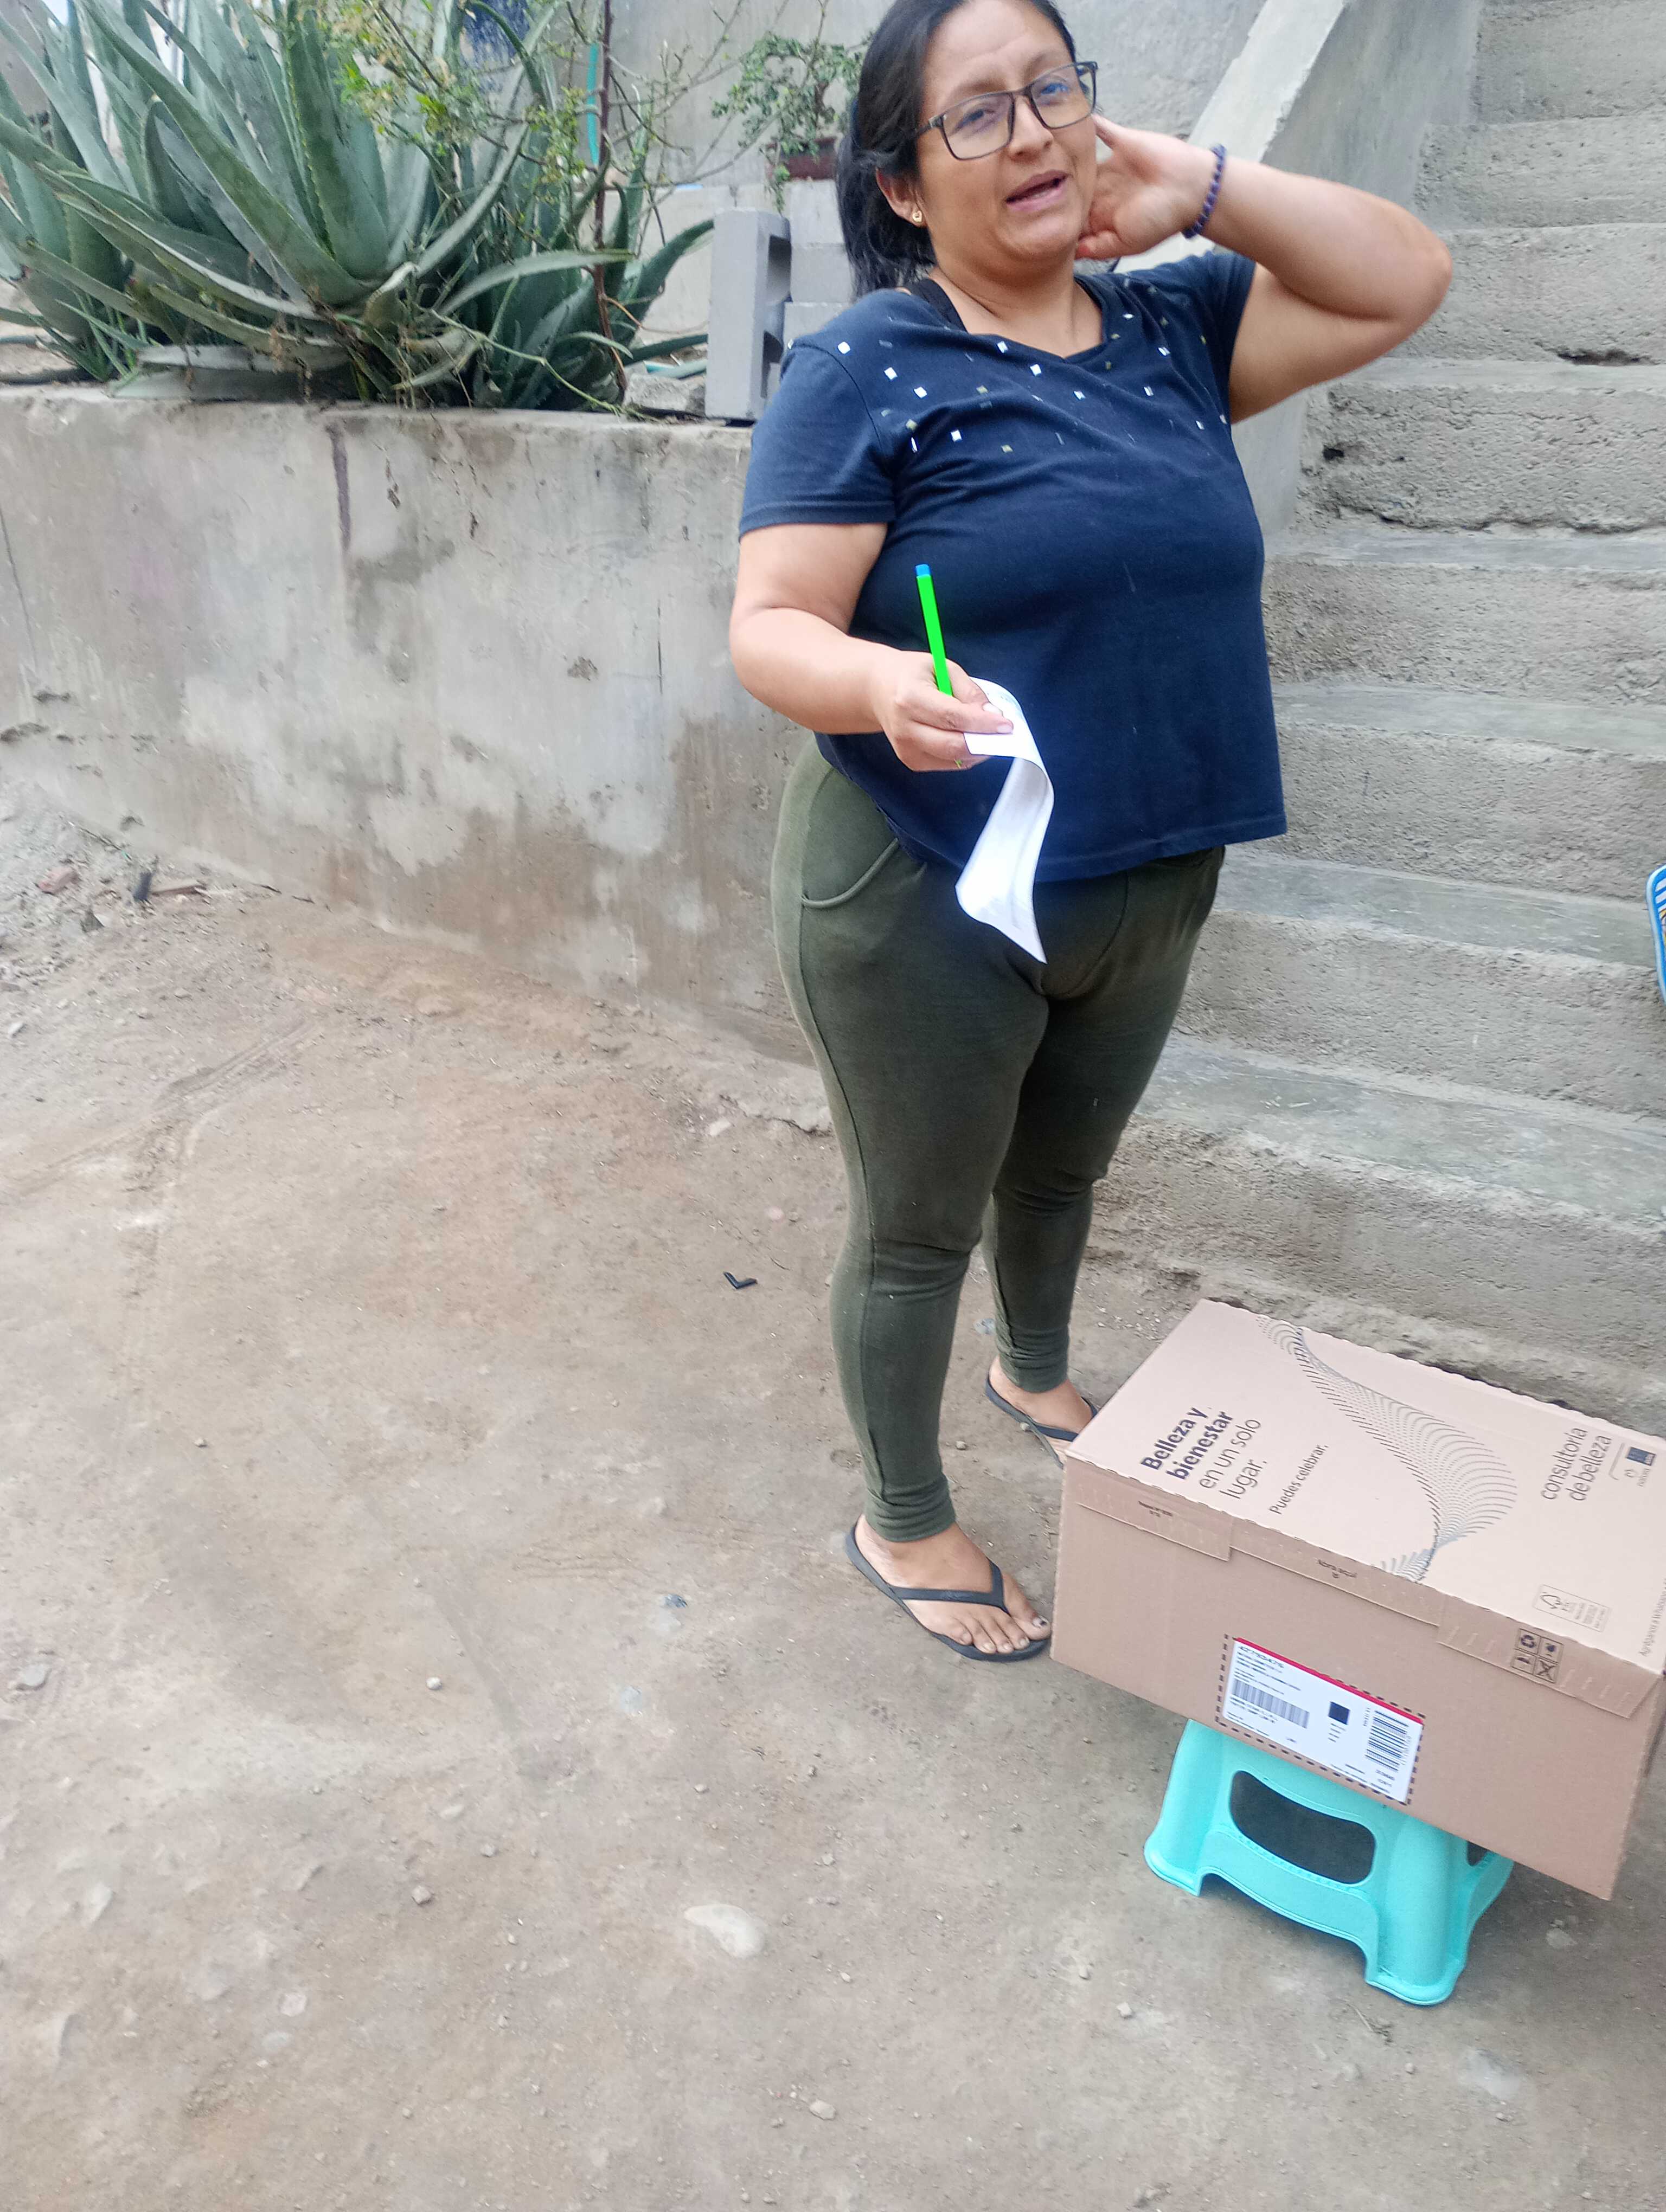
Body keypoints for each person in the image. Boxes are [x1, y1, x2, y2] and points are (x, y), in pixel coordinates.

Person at [728, 0, 1451, 1662]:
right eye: (975, 115)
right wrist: (876, 683)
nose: (1032, 132)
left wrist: (1204, 186)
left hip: (1151, 863)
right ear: (901, 184)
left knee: (1064, 1167)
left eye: (1051, 89)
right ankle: (904, 1513)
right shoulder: (865, 367)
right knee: (918, 1225)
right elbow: (769, 624)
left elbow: (1404, 278)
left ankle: (1036, 1370)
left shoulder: (1174, 324)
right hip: (923, 881)